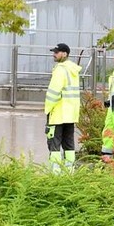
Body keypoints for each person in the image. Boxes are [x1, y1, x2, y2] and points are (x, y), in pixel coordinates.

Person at [44, 43, 82, 173]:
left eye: (57, 52)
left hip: (58, 114)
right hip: (70, 114)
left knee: (54, 144)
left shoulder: (60, 69)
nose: (54, 54)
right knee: (69, 144)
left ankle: (55, 173)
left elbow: (53, 93)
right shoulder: (73, 70)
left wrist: (47, 109)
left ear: (64, 54)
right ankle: (70, 171)